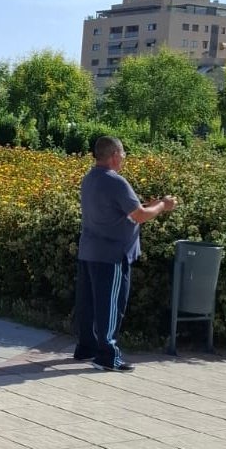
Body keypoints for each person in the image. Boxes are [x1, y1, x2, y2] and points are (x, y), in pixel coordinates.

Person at [75, 135, 176, 372]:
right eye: (122, 153)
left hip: (89, 251)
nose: (124, 157)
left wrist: (146, 206)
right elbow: (139, 216)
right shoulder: (116, 182)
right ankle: (107, 356)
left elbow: (122, 211)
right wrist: (162, 205)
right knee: (110, 306)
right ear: (113, 155)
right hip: (112, 254)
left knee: (89, 305)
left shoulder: (90, 179)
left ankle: (86, 348)